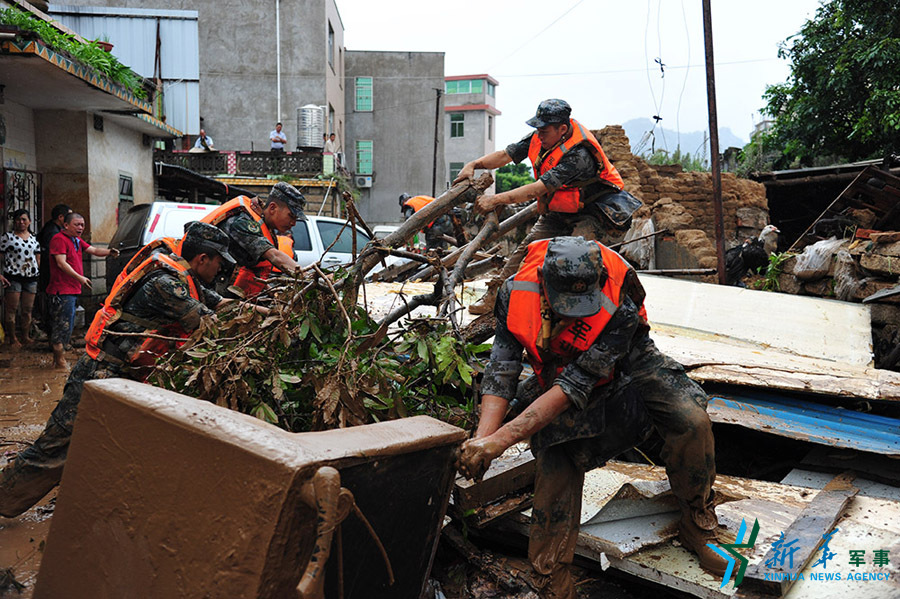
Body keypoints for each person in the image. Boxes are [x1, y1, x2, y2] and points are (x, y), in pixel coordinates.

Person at [457, 236, 725, 598]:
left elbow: (573, 386)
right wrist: (482, 442)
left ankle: (697, 521)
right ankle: (551, 578)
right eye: (565, 305)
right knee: (556, 456)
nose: (573, 313)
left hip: (629, 358)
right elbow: (502, 369)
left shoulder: (619, 300)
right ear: (543, 283)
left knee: (690, 419)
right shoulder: (514, 292)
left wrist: (501, 440)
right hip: (559, 367)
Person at [0, 222, 235, 518]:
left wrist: (270, 311)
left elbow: (222, 305)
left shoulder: (187, 278)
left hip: (126, 378)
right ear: (202, 259)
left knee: (114, 449)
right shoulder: (166, 284)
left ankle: (91, 512)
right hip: (100, 375)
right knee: (53, 451)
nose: (221, 269)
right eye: (219, 262)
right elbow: (211, 323)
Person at [453, 99, 642, 315]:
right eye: (538, 129)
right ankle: (495, 297)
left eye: (544, 130)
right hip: (561, 209)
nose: (539, 134)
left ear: (562, 129)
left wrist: (495, 199)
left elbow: (537, 189)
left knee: (575, 260)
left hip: (596, 213)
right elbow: (506, 155)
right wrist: (473, 165)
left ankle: (589, 312)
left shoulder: (579, 155)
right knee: (527, 251)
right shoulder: (539, 137)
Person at [200, 182, 306, 298]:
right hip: (207, 292)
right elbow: (274, 256)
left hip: (230, 292)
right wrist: (307, 277)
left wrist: (271, 292)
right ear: (272, 208)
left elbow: (249, 268)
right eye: (291, 216)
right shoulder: (242, 221)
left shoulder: (264, 226)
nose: (294, 223)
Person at [46, 213, 119, 369]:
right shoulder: (59, 239)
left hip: (72, 290)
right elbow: (61, 263)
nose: (80, 228)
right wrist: (80, 278)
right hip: (61, 290)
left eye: (82, 225)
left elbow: (94, 250)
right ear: (66, 225)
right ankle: (60, 363)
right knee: (62, 327)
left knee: (67, 326)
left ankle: (57, 361)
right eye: (77, 224)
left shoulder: (76, 240)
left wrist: (109, 252)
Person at [1, 209, 41, 347]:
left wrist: (37, 272)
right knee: (11, 309)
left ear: (29, 221)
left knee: (27, 309)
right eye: (18, 219)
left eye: (24, 219)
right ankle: (13, 339)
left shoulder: (33, 238)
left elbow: (37, 257)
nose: (21, 222)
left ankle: (25, 336)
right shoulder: (7, 237)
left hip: (31, 278)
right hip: (13, 277)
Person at [36, 204, 72, 340]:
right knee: (54, 307)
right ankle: (54, 338)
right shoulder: (53, 233)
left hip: (50, 274)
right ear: (61, 217)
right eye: (68, 216)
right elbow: (55, 257)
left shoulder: (53, 229)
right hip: (51, 275)